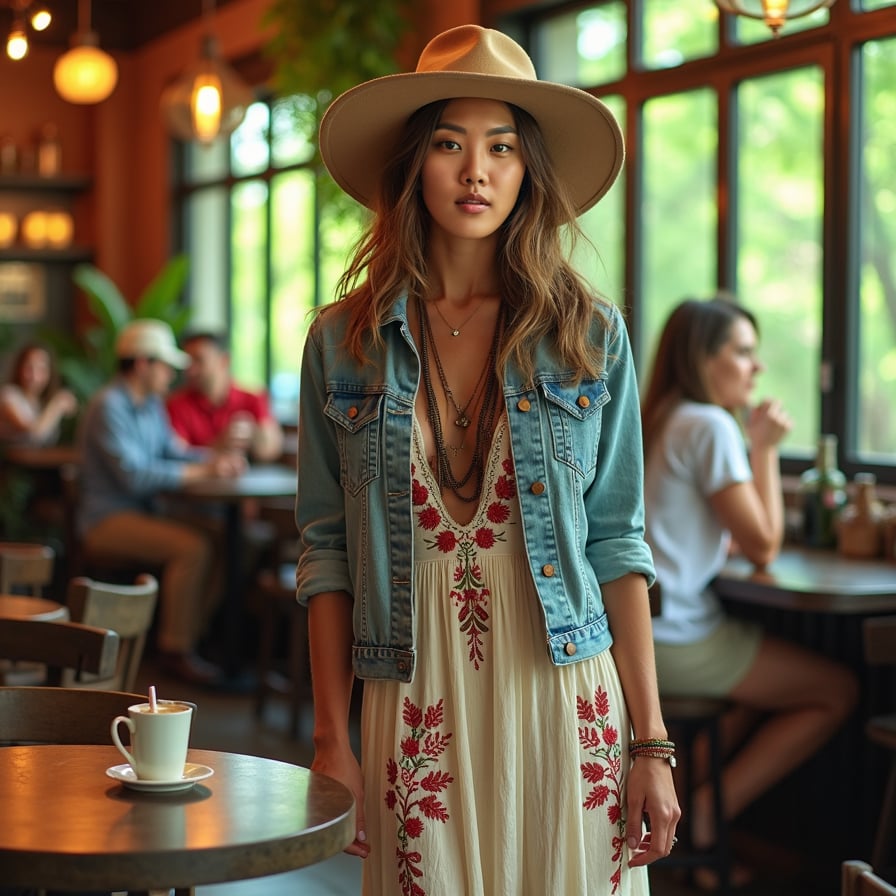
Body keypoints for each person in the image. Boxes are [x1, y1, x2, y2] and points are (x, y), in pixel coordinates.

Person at [295, 24, 680, 896]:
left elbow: (618, 543)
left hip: (565, 694)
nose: (477, 172)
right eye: (448, 145)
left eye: (501, 148)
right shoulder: (341, 343)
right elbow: (325, 553)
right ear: (413, 167)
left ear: (527, 170)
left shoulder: (589, 334)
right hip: (414, 694)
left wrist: (649, 742)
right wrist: (332, 739)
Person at [640, 296, 858, 884]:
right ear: (702, 359)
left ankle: (684, 823)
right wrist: (762, 444)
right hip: (679, 638)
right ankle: (711, 815)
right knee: (835, 690)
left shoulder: (661, 416)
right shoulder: (708, 425)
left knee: (749, 693)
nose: (756, 367)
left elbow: (700, 530)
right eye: (742, 352)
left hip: (644, 636)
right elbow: (763, 545)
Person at [77, 318, 246, 686]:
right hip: (107, 520)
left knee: (220, 537)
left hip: (141, 514)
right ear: (142, 364)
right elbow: (134, 475)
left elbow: (174, 451)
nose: (172, 374)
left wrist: (214, 461)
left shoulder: (150, 404)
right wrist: (204, 472)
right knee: (193, 548)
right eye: (165, 365)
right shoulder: (109, 406)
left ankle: (186, 636)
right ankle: (176, 651)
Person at [166, 331, 284, 462]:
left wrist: (254, 436)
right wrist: (218, 446)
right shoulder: (176, 404)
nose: (190, 369)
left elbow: (271, 451)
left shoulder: (253, 398)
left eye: (199, 360)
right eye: (187, 362)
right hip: (197, 482)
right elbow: (177, 456)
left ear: (224, 360)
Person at [0, 342, 77, 445]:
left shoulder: (42, 401)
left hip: (45, 459)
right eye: (29, 367)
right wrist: (57, 405)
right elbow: (33, 433)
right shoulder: (8, 396)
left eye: (41, 368)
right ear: (19, 368)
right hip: (12, 460)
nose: (34, 375)